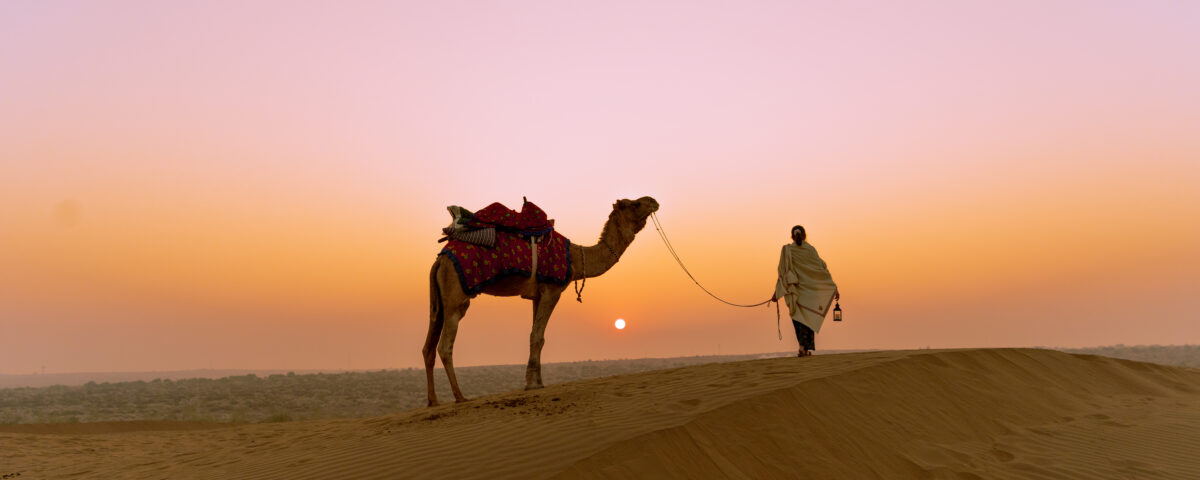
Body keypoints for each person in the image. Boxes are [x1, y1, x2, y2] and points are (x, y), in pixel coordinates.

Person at [771, 225, 839, 357]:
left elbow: (783, 275)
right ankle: (804, 348)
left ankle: (802, 347)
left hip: (796, 293)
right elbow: (822, 271)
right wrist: (834, 288)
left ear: (792, 236)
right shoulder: (811, 250)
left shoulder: (787, 251)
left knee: (798, 321)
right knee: (808, 321)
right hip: (811, 294)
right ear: (804, 235)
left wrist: (776, 293)